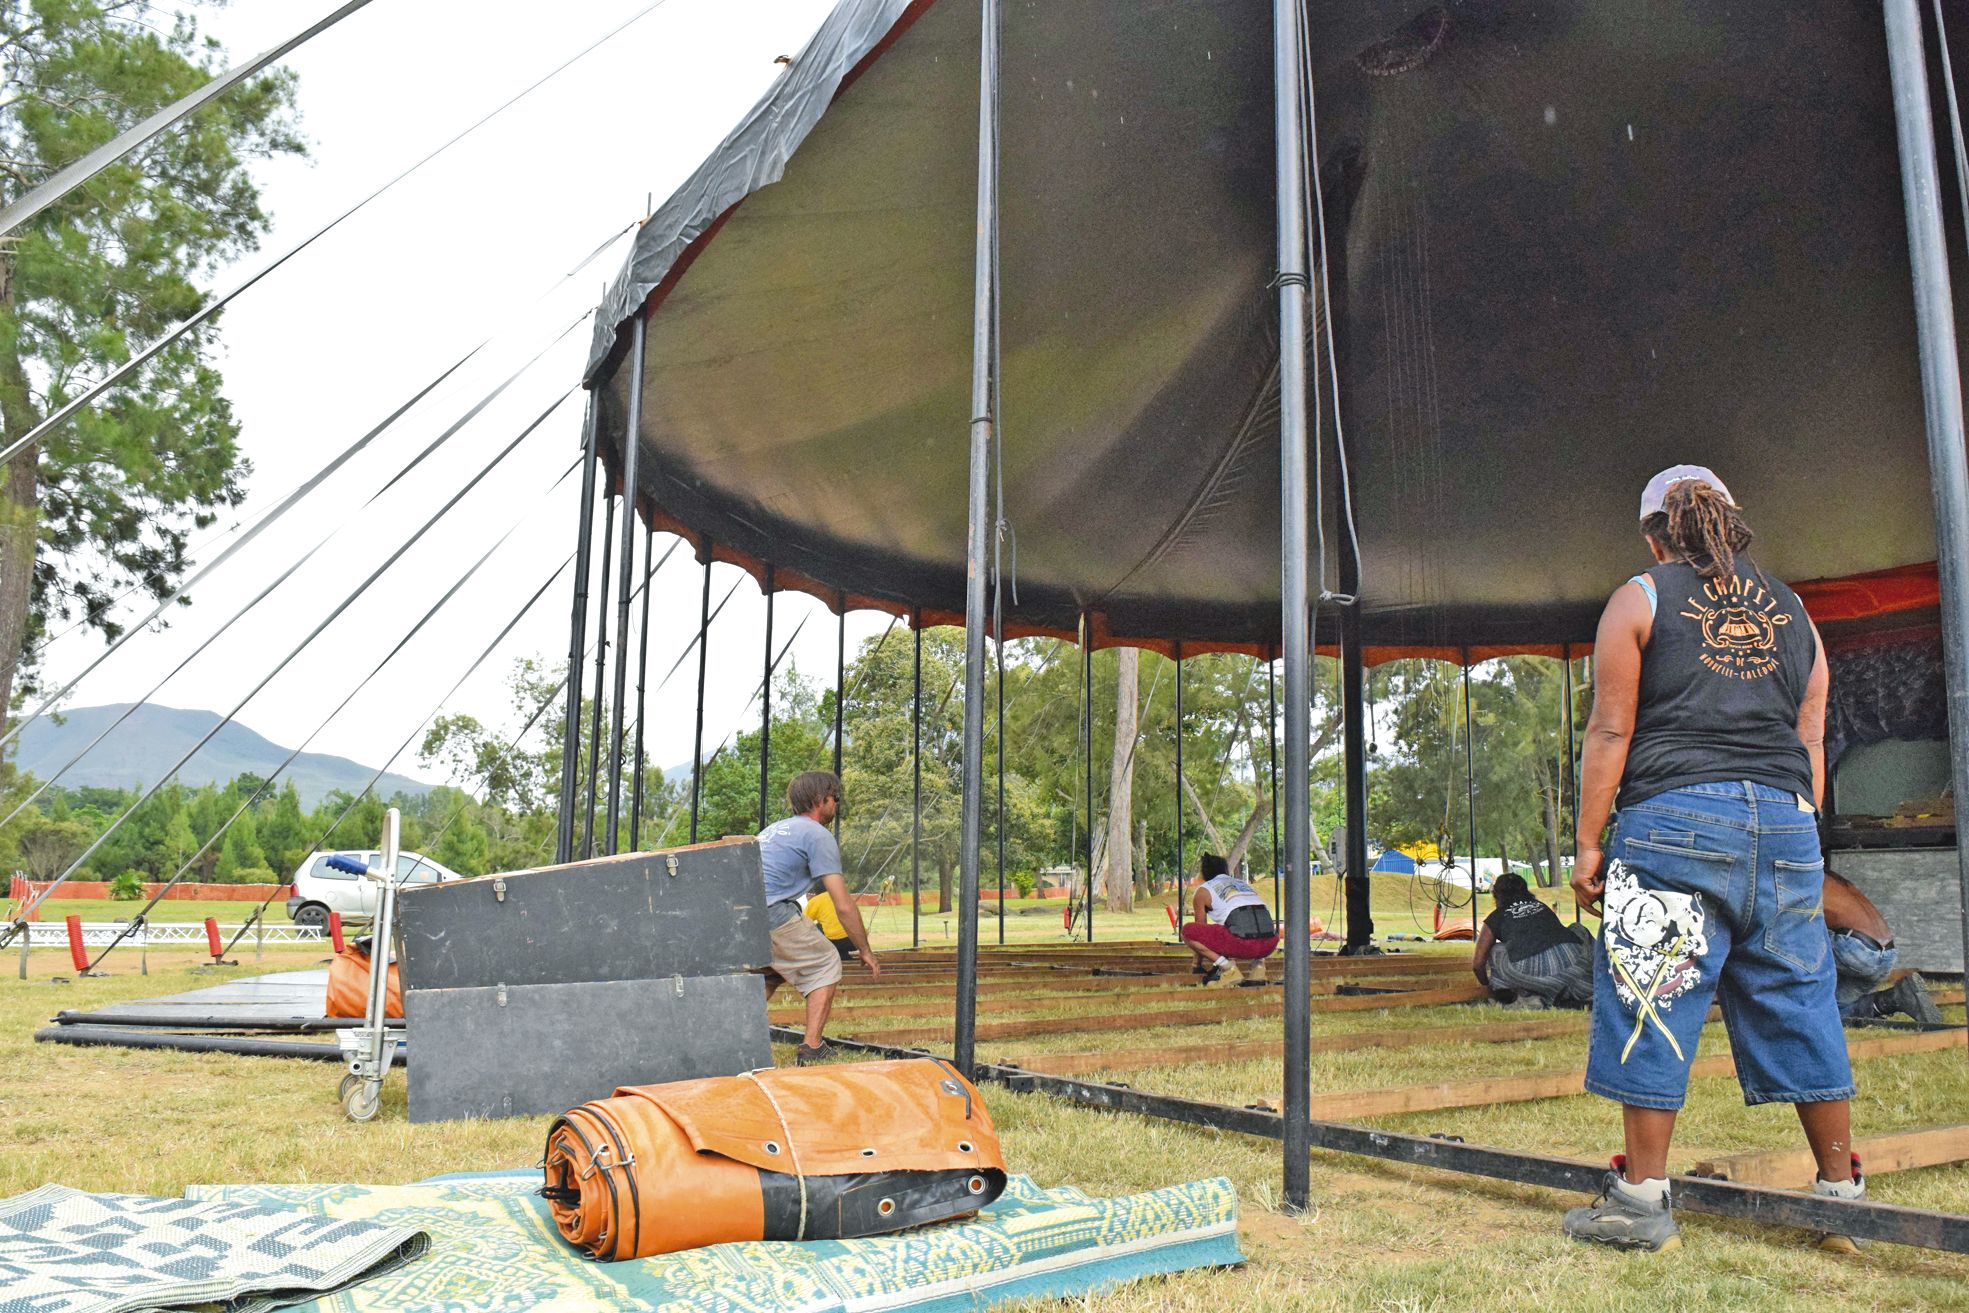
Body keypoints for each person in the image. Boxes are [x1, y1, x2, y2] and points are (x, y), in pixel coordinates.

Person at [1566, 466, 1862, 1254]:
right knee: (1801, 998)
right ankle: (1840, 1194)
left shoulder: (1640, 597)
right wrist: (1796, 825)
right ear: (1731, 523)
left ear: (1652, 534)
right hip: (1787, 822)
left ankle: (1640, 1199)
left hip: (1673, 820)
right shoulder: (1795, 611)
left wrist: (1590, 839)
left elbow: (1609, 731)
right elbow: (1808, 737)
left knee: (1651, 996)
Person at [757, 770, 880, 1065]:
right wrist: (865, 951)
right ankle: (812, 1047)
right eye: (834, 799)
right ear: (820, 800)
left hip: (744, 914)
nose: (836, 806)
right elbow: (844, 905)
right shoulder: (817, 835)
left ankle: (733, 1037)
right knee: (825, 962)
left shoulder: (774, 829)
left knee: (769, 972)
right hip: (772, 910)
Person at [1825, 868, 1944, 1024]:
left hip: (1856, 950)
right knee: (1832, 1011)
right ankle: (1892, 999)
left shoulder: (1805, 879)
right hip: (1886, 956)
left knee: (1793, 939)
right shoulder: (1839, 882)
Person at [1472, 872, 1592, 1008]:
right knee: (1577, 928)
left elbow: (1477, 964)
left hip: (1534, 976)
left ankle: (1517, 996)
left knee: (1496, 950)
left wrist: (1487, 986)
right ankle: (1596, 975)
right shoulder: (1542, 906)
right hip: (1576, 968)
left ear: (1496, 895)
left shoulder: (1496, 917)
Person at [1180, 853, 1280, 985]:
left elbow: (1200, 931)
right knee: (1249, 924)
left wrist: (1196, 966)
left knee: (1188, 931)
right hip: (1269, 944)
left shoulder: (1203, 890)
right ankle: (1258, 969)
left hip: (1243, 945)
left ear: (1204, 872)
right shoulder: (1242, 884)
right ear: (1225, 870)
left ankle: (1228, 969)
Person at [803, 888, 858, 961]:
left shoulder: (815, 901)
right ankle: (842, 955)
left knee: (815, 927)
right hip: (854, 942)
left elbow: (803, 922)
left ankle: (830, 955)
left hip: (833, 942)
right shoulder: (844, 897)